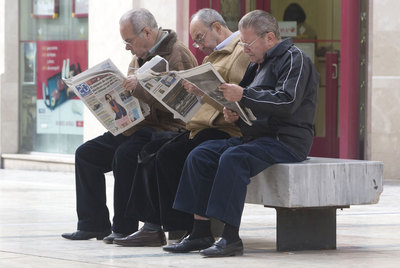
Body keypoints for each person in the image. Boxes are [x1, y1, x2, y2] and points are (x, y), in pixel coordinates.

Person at [164, 10, 319, 257]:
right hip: (257, 137)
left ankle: (230, 236)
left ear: (269, 38)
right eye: (243, 44)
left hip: (286, 140)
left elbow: (288, 101)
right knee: (200, 155)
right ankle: (200, 231)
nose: (244, 49)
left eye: (248, 43)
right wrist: (234, 111)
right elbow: (246, 99)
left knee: (233, 159)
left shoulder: (295, 59)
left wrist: (244, 96)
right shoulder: (258, 65)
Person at [112, 8, 250, 247]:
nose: (198, 45)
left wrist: (203, 92)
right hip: (199, 125)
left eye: (200, 38)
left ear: (217, 28)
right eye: (195, 39)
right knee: (152, 152)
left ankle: (177, 227)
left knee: (165, 153)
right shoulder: (214, 55)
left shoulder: (239, 52)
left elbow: (237, 93)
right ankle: (155, 226)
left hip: (220, 128)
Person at [61, 8, 198, 242]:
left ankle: (123, 228)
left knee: (125, 154)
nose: (126, 47)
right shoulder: (138, 57)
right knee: (86, 155)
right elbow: (133, 97)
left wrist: (139, 90)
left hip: (165, 130)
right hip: (137, 126)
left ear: (146, 33)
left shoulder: (177, 55)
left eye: (128, 41)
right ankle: (92, 224)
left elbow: (183, 105)